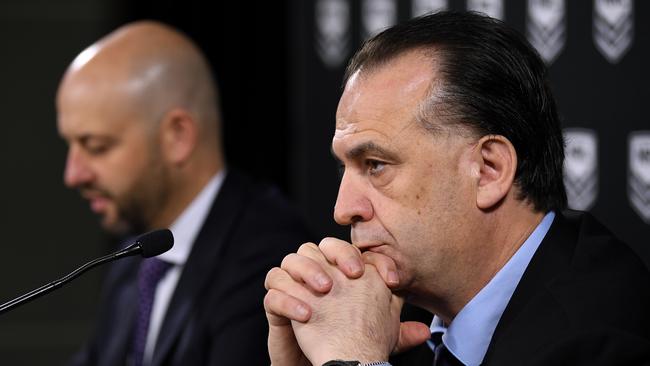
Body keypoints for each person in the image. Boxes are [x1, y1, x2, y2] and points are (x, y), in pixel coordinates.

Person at [263, 11, 650, 366]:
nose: (343, 209)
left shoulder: (602, 339)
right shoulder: (384, 313)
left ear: (488, 170)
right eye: (344, 167)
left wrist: (352, 360)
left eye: (376, 165)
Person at [57, 21, 311, 366]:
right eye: (69, 145)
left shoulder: (268, 256)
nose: (73, 174)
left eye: (96, 146)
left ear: (177, 136)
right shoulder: (135, 253)